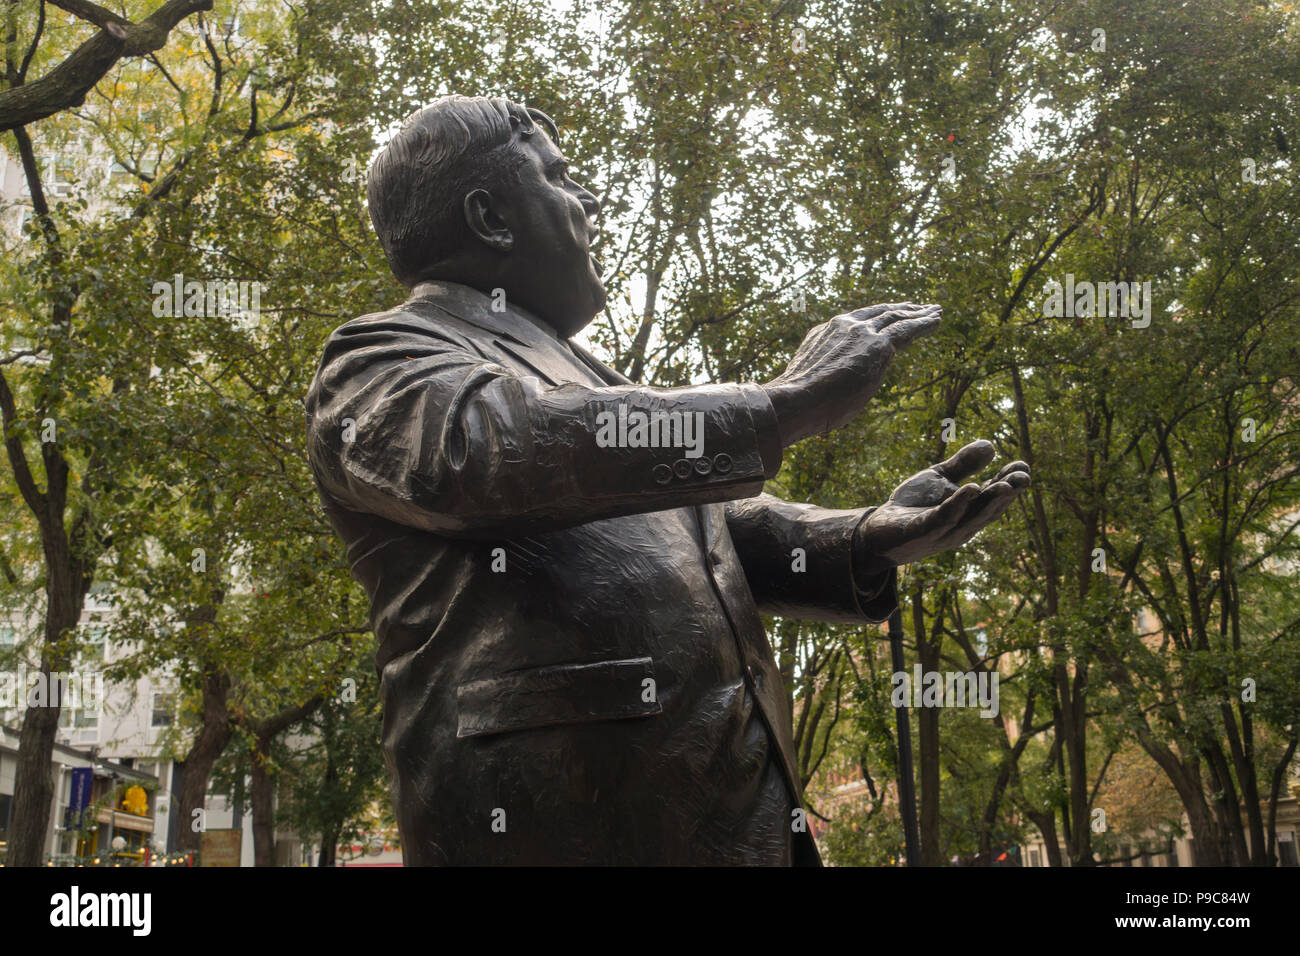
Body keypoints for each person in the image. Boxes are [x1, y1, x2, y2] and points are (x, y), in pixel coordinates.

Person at [305, 95, 1029, 865]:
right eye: (558, 178)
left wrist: (858, 536)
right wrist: (784, 406)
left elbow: (705, 530)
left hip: (736, 818)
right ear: (490, 218)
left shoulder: (583, 375)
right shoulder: (378, 357)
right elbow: (487, 453)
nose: (590, 201)